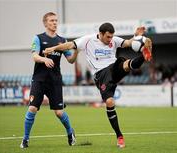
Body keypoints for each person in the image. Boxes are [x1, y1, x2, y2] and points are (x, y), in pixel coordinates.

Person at [43, 23, 152, 148]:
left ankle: (144, 55)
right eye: (108, 37)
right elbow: (70, 45)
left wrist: (136, 35)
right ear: (100, 34)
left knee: (125, 64)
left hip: (113, 68)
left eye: (111, 37)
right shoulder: (88, 40)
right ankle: (119, 136)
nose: (110, 39)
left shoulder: (114, 40)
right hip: (101, 75)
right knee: (110, 102)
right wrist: (54, 48)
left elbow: (129, 43)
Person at [20, 12, 78, 149]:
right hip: (39, 80)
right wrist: (44, 59)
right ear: (45, 23)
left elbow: (70, 60)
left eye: (56, 20)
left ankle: (70, 133)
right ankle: (25, 139)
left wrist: (76, 52)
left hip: (55, 81)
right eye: (52, 20)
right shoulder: (38, 38)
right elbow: (34, 56)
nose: (55, 23)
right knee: (32, 108)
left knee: (59, 112)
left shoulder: (62, 41)